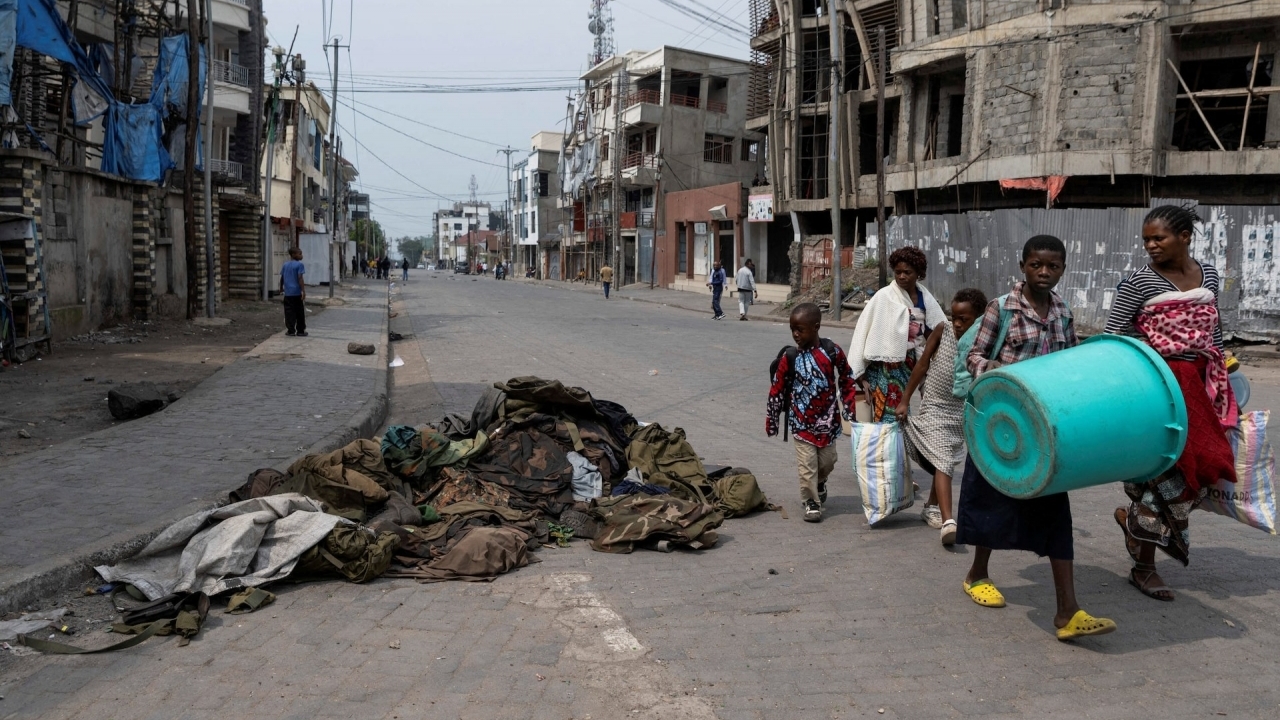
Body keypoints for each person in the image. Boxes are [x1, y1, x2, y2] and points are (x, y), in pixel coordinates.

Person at [958, 235, 1115, 641]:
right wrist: (995, 371)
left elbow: (1070, 359)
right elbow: (974, 355)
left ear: (1063, 268)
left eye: (1053, 266)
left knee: (1055, 514)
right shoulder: (1001, 308)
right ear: (1022, 266)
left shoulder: (1062, 310)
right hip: (1001, 426)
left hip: (1045, 433)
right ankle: (977, 574)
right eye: (1036, 265)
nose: (1044, 272)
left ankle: (1068, 612)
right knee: (991, 506)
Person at [1104, 205, 1238, 602]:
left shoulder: (1208, 275)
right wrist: (1157, 356)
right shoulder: (1138, 282)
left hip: (1202, 385)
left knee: (1208, 467)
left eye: (1158, 238)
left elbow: (1213, 332)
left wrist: (1226, 377)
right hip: (1157, 387)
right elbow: (1115, 335)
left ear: (1184, 236)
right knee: (1163, 473)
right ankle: (1144, 567)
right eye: (1146, 239)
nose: (1150, 246)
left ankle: (1135, 526)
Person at [894, 288, 987, 545]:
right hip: (935, 404)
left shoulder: (983, 341)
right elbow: (922, 364)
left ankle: (932, 505)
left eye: (964, 319)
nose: (957, 324)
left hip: (962, 411)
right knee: (943, 457)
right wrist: (905, 400)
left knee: (942, 460)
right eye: (953, 317)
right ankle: (949, 521)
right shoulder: (943, 331)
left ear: (979, 318)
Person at [766, 303, 858, 523]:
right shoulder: (790, 357)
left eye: (800, 329)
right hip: (801, 423)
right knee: (807, 466)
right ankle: (811, 502)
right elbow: (777, 389)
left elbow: (847, 378)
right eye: (792, 330)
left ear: (816, 327)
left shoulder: (832, 351)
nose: (795, 335)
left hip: (828, 423)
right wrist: (772, 419)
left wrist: (849, 407)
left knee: (828, 461)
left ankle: (820, 482)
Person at [848, 247, 947, 422]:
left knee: (932, 409)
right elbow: (863, 331)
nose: (902, 276)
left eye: (907, 272)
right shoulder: (883, 297)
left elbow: (937, 328)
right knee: (892, 417)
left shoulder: (925, 297)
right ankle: (890, 449)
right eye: (898, 272)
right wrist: (860, 374)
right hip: (889, 367)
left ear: (918, 273)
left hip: (915, 361)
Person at [280, 247, 307, 337]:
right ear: (293, 255)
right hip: (296, 293)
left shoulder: (285, 265)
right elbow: (300, 278)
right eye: (300, 254)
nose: (301, 255)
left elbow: (282, 277)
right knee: (299, 312)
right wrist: (303, 290)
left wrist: (281, 288)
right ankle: (300, 331)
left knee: (289, 312)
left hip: (288, 293)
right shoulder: (300, 265)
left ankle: (291, 330)